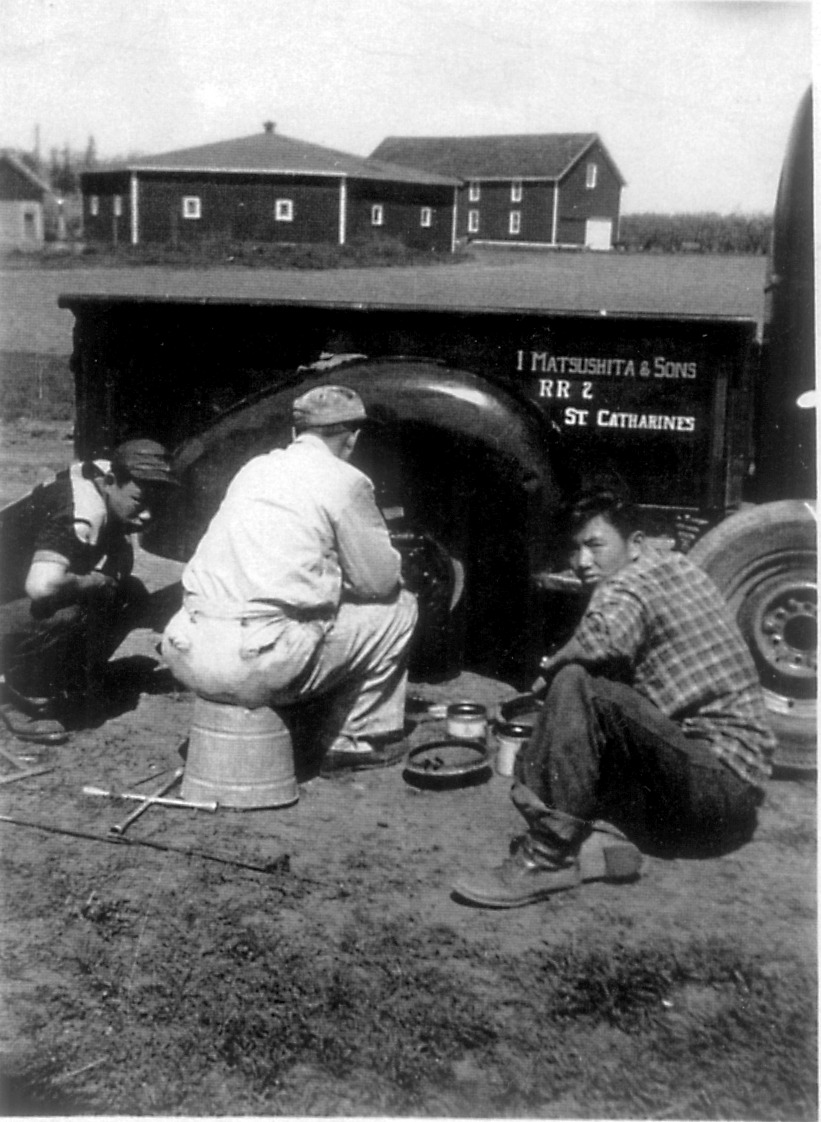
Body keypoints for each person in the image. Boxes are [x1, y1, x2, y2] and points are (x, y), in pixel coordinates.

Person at [453, 489, 775, 908]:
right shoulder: (676, 565)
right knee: (595, 705)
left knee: (577, 681)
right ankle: (598, 846)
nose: (582, 562)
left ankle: (548, 856)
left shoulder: (628, 581)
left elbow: (602, 639)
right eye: (574, 548)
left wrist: (546, 673)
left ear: (635, 543)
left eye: (595, 545)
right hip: (734, 798)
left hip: (714, 784)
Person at [161, 384, 418, 777]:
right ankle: (356, 739)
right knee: (399, 609)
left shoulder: (255, 468)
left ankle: (291, 706)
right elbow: (379, 583)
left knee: (287, 609)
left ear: (296, 433)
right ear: (353, 437)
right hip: (255, 661)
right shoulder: (346, 480)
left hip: (187, 649)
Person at [0, 439, 179, 745]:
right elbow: (42, 586)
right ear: (111, 482)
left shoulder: (103, 479)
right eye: (139, 501)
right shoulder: (83, 508)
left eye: (155, 504)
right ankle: (19, 697)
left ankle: (66, 679)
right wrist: (93, 583)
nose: (148, 515)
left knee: (128, 594)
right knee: (67, 610)